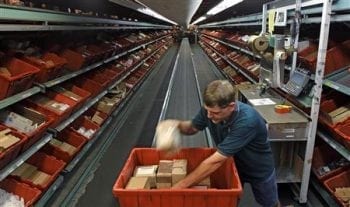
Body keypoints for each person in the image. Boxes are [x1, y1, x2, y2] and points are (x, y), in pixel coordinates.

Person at [163, 80, 279, 207]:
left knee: (270, 203)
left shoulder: (247, 121)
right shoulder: (210, 110)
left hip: (257, 168)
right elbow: (192, 128)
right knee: (232, 200)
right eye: (207, 110)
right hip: (233, 164)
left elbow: (215, 161)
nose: (209, 116)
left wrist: (179, 186)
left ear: (231, 106)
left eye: (215, 113)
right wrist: (175, 125)